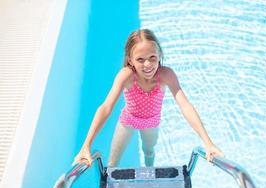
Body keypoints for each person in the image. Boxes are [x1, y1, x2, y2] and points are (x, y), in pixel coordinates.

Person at [73, 29, 224, 168]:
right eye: (140, 59)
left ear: (159, 55)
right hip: (128, 119)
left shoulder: (166, 75)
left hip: (151, 122)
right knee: (114, 160)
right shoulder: (127, 76)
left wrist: (208, 143)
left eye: (152, 57)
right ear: (130, 60)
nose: (148, 64)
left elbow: (185, 105)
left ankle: (149, 171)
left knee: (149, 151)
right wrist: (86, 145)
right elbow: (106, 107)